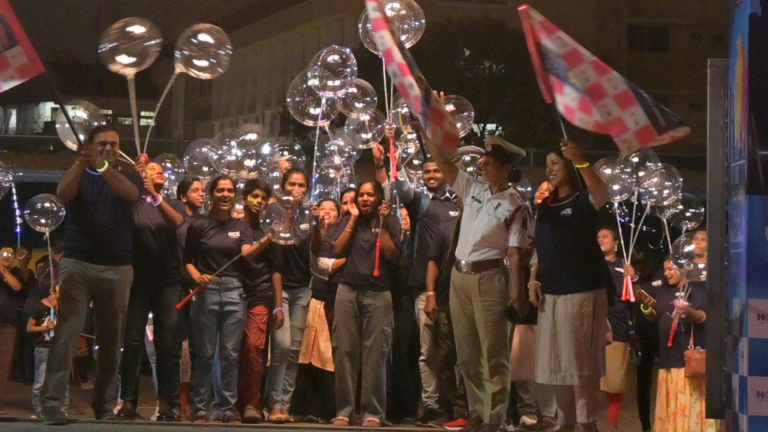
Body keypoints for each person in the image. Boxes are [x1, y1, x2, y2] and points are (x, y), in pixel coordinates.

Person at [422, 126, 528, 432]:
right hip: (460, 275)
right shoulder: (473, 189)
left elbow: (516, 253)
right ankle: (477, 411)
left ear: (507, 167)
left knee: (493, 353)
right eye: (483, 160)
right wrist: (432, 129)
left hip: (491, 277)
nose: (483, 165)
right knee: (467, 354)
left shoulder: (516, 205)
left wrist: (517, 293)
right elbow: (443, 163)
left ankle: (494, 418)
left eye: (490, 161)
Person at [41, 125, 142, 424]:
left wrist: (104, 167)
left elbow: (131, 193)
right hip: (78, 262)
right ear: (90, 145)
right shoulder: (79, 171)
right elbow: (63, 193)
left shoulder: (125, 172)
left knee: (111, 341)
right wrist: (81, 163)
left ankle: (104, 406)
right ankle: (52, 403)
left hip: (117, 266)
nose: (109, 148)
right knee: (67, 334)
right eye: (102, 144)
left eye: (113, 144)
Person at [377, 136, 461, 427]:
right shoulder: (422, 203)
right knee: (427, 352)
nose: (432, 175)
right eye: (427, 172)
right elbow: (400, 188)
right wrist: (394, 160)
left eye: (437, 171)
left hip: (460, 288)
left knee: (455, 353)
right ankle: (430, 405)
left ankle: (456, 407)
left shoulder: (462, 203)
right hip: (426, 291)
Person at [529, 141, 611, 432]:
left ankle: (587, 423)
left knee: (580, 364)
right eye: (547, 164)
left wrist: (581, 160)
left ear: (569, 167)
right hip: (551, 294)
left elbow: (601, 194)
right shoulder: (546, 207)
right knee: (556, 362)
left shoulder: (582, 200)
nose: (549, 169)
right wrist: (533, 278)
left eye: (555, 163)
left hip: (583, 290)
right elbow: (539, 247)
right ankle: (564, 423)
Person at [183, 175, 269, 423]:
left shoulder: (241, 226)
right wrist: (197, 275)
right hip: (206, 291)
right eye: (220, 190)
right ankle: (200, 407)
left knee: (230, 353)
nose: (225, 194)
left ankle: (228, 408)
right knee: (206, 352)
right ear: (212, 194)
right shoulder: (199, 225)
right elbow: (187, 260)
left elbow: (247, 254)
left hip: (235, 291)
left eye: (230, 191)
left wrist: (270, 236)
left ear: (235, 195)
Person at [117, 161, 184, 422]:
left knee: (166, 343)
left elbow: (177, 222)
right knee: (132, 341)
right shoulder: (133, 203)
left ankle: (167, 404)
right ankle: (127, 401)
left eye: (160, 170)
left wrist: (156, 196)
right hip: (138, 281)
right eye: (152, 169)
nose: (159, 171)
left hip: (167, 281)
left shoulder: (173, 203)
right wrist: (136, 177)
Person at [332, 179, 402, 427]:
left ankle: (373, 412)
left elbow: (392, 254)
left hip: (378, 293)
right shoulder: (350, 219)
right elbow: (338, 249)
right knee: (344, 351)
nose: (364, 199)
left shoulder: (389, 219)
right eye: (361, 195)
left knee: (375, 355)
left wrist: (383, 225)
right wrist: (351, 218)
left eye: (370, 195)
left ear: (379, 198)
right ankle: (345, 409)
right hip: (348, 290)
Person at [643, 260, 716, 432]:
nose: (666, 273)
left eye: (670, 269)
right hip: (667, 359)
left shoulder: (696, 289)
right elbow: (654, 317)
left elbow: (703, 316)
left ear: (683, 268)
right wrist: (646, 309)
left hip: (685, 361)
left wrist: (690, 313)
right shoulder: (664, 291)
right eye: (664, 270)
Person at [267, 168, 313, 423]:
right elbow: (276, 258)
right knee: (281, 346)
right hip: (280, 288)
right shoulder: (273, 215)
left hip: (303, 289)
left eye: (302, 185)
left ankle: (285, 405)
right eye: (292, 184)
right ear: (283, 186)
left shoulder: (310, 217)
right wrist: (288, 212)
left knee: (294, 349)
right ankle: (273, 403)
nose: (297, 189)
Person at [293, 198, 345, 423]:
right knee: (308, 355)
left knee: (329, 356)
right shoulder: (311, 236)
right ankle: (306, 408)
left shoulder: (343, 237)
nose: (326, 213)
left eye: (331, 209)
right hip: (313, 299)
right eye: (322, 209)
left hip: (335, 299)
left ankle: (329, 409)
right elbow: (319, 264)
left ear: (339, 215)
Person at [237, 179, 274, 423]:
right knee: (227, 350)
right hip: (231, 292)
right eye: (255, 197)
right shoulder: (234, 227)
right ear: (244, 199)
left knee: (253, 348)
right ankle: (226, 402)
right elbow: (245, 254)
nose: (259, 202)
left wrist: (279, 304)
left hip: (260, 293)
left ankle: (252, 403)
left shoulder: (268, 229)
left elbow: (275, 268)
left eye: (264, 198)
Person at [173, 177, 205, 416]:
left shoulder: (206, 222)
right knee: (173, 343)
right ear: (183, 196)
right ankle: (172, 400)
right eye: (195, 190)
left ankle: (198, 400)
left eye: (203, 190)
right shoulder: (176, 220)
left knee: (198, 345)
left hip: (200, 287)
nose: (201, 194)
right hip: (177, 283)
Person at [597, 227, 634, 432]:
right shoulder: (591, 264)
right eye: (598, 237)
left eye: (605, 236)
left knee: (615, 380)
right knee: (590, 379)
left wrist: (633, 279)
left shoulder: (625, 267)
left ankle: (612, 424)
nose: (601, 239)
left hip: (617, 328)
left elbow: (632, 300)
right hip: (593, 326)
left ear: (616, 244)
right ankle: (587, 421)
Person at [27, 286, 69, 417]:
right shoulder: (40, 306)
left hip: (59, 347)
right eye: (55, 291)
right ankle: (38, 407)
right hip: (43, 347)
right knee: (41, 379)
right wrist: (44, 327)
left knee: (63, 378)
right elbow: (29, 327)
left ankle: (63, 406)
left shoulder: (64, 307)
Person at [0, 247, 24, 415]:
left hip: (8, 323)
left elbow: (17, 287)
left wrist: (2, 270)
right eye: (3, 253)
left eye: (10, 254)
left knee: (3, 365)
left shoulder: (15, 272)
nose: (7, 256)